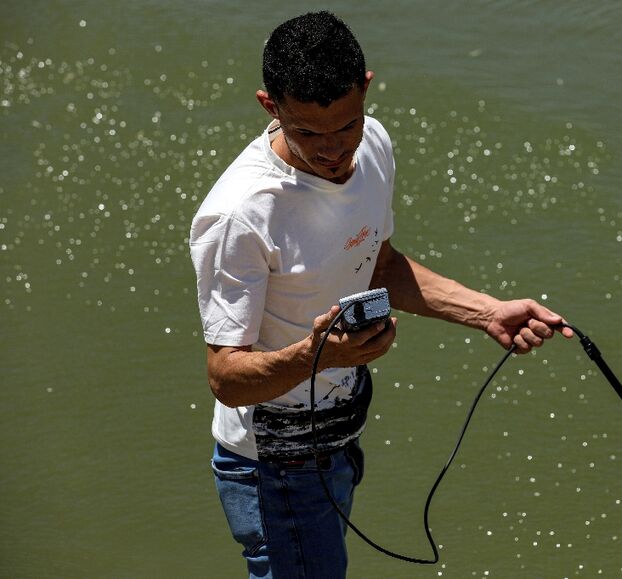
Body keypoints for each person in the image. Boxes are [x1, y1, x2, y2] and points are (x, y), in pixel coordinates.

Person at [189, 11, 573, 578]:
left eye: (345, 126)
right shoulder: (239, 216)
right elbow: (225, 378)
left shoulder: (375, 147)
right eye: (308, 133)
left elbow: (380, 265)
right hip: (272, 466)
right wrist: (322, 355)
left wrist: (489, 312)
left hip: (339, 438)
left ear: (365, 88)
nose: (332, 151)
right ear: (270, 107)